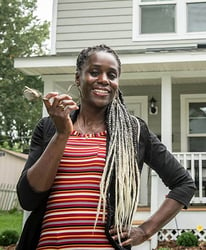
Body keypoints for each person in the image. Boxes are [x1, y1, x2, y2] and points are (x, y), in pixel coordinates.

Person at [16, 44, 196, 250]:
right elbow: (28, 198)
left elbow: (184, 183)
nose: (104, 80)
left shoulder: (133, 131)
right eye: (94, 72)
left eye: (112, 75)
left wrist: (145, 231)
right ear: (78, 78)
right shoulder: (49, 128)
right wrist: (62, 134)